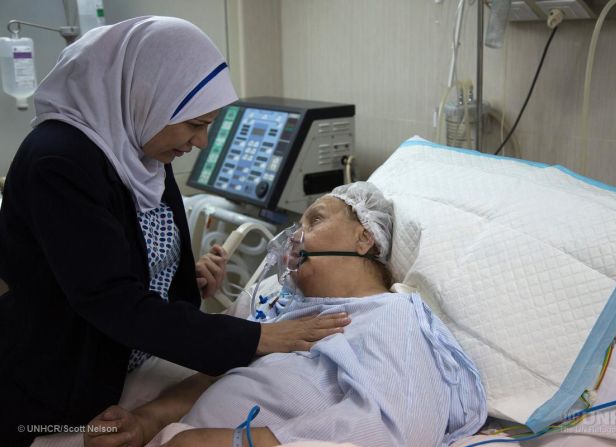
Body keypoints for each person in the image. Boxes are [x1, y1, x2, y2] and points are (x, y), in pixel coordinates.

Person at [0, 16, 349, 446]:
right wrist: (258, 337)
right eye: (194, 125)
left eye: (207, 126)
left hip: (133, 362)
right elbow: (109, 296)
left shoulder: (142, 151)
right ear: (148, 97)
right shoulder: (59, 163)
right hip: (54, 386)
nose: (200, 143)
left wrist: (182, 280)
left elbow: (130, 251)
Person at [84, 182, 487, 447]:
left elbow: (398, 430)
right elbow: (216, 374)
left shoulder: (388, 314)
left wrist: (237, 441)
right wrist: (146, 422)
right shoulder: (284, 311)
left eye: (315, 219)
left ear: (365, 237)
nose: (295, 236)